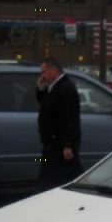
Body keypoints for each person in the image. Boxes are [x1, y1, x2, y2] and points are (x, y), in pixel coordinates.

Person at [35, 57, 82, 190]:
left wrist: (68, 145)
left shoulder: (66, 88)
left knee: (56, 174)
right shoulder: (54, 86)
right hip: (51, 143)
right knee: (53, 169)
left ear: (54, 70)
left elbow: (69, 118)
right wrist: (41, 88)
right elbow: (44, 104)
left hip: (60, 144)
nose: (42, 75)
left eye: (44, 72)